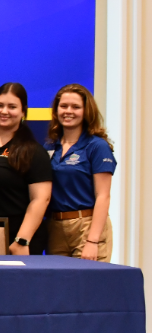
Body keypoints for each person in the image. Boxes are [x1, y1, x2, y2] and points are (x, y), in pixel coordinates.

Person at [0, 83, 52, 255]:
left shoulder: (33, 151)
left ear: (23, 111)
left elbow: (41, 199)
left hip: (17, 241)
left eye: (12, 107)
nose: (4, 111)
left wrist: (22, 240)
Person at [45, 84, 115, 262]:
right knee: (58, 287)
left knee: (89, 287)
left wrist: (93, 240)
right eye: (63, 106)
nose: (68, 111)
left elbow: (103, 196)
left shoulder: (97, 146)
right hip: (55, 227)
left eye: (76, 107)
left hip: (87, 224)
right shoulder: (50, 146)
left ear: (86, 111)